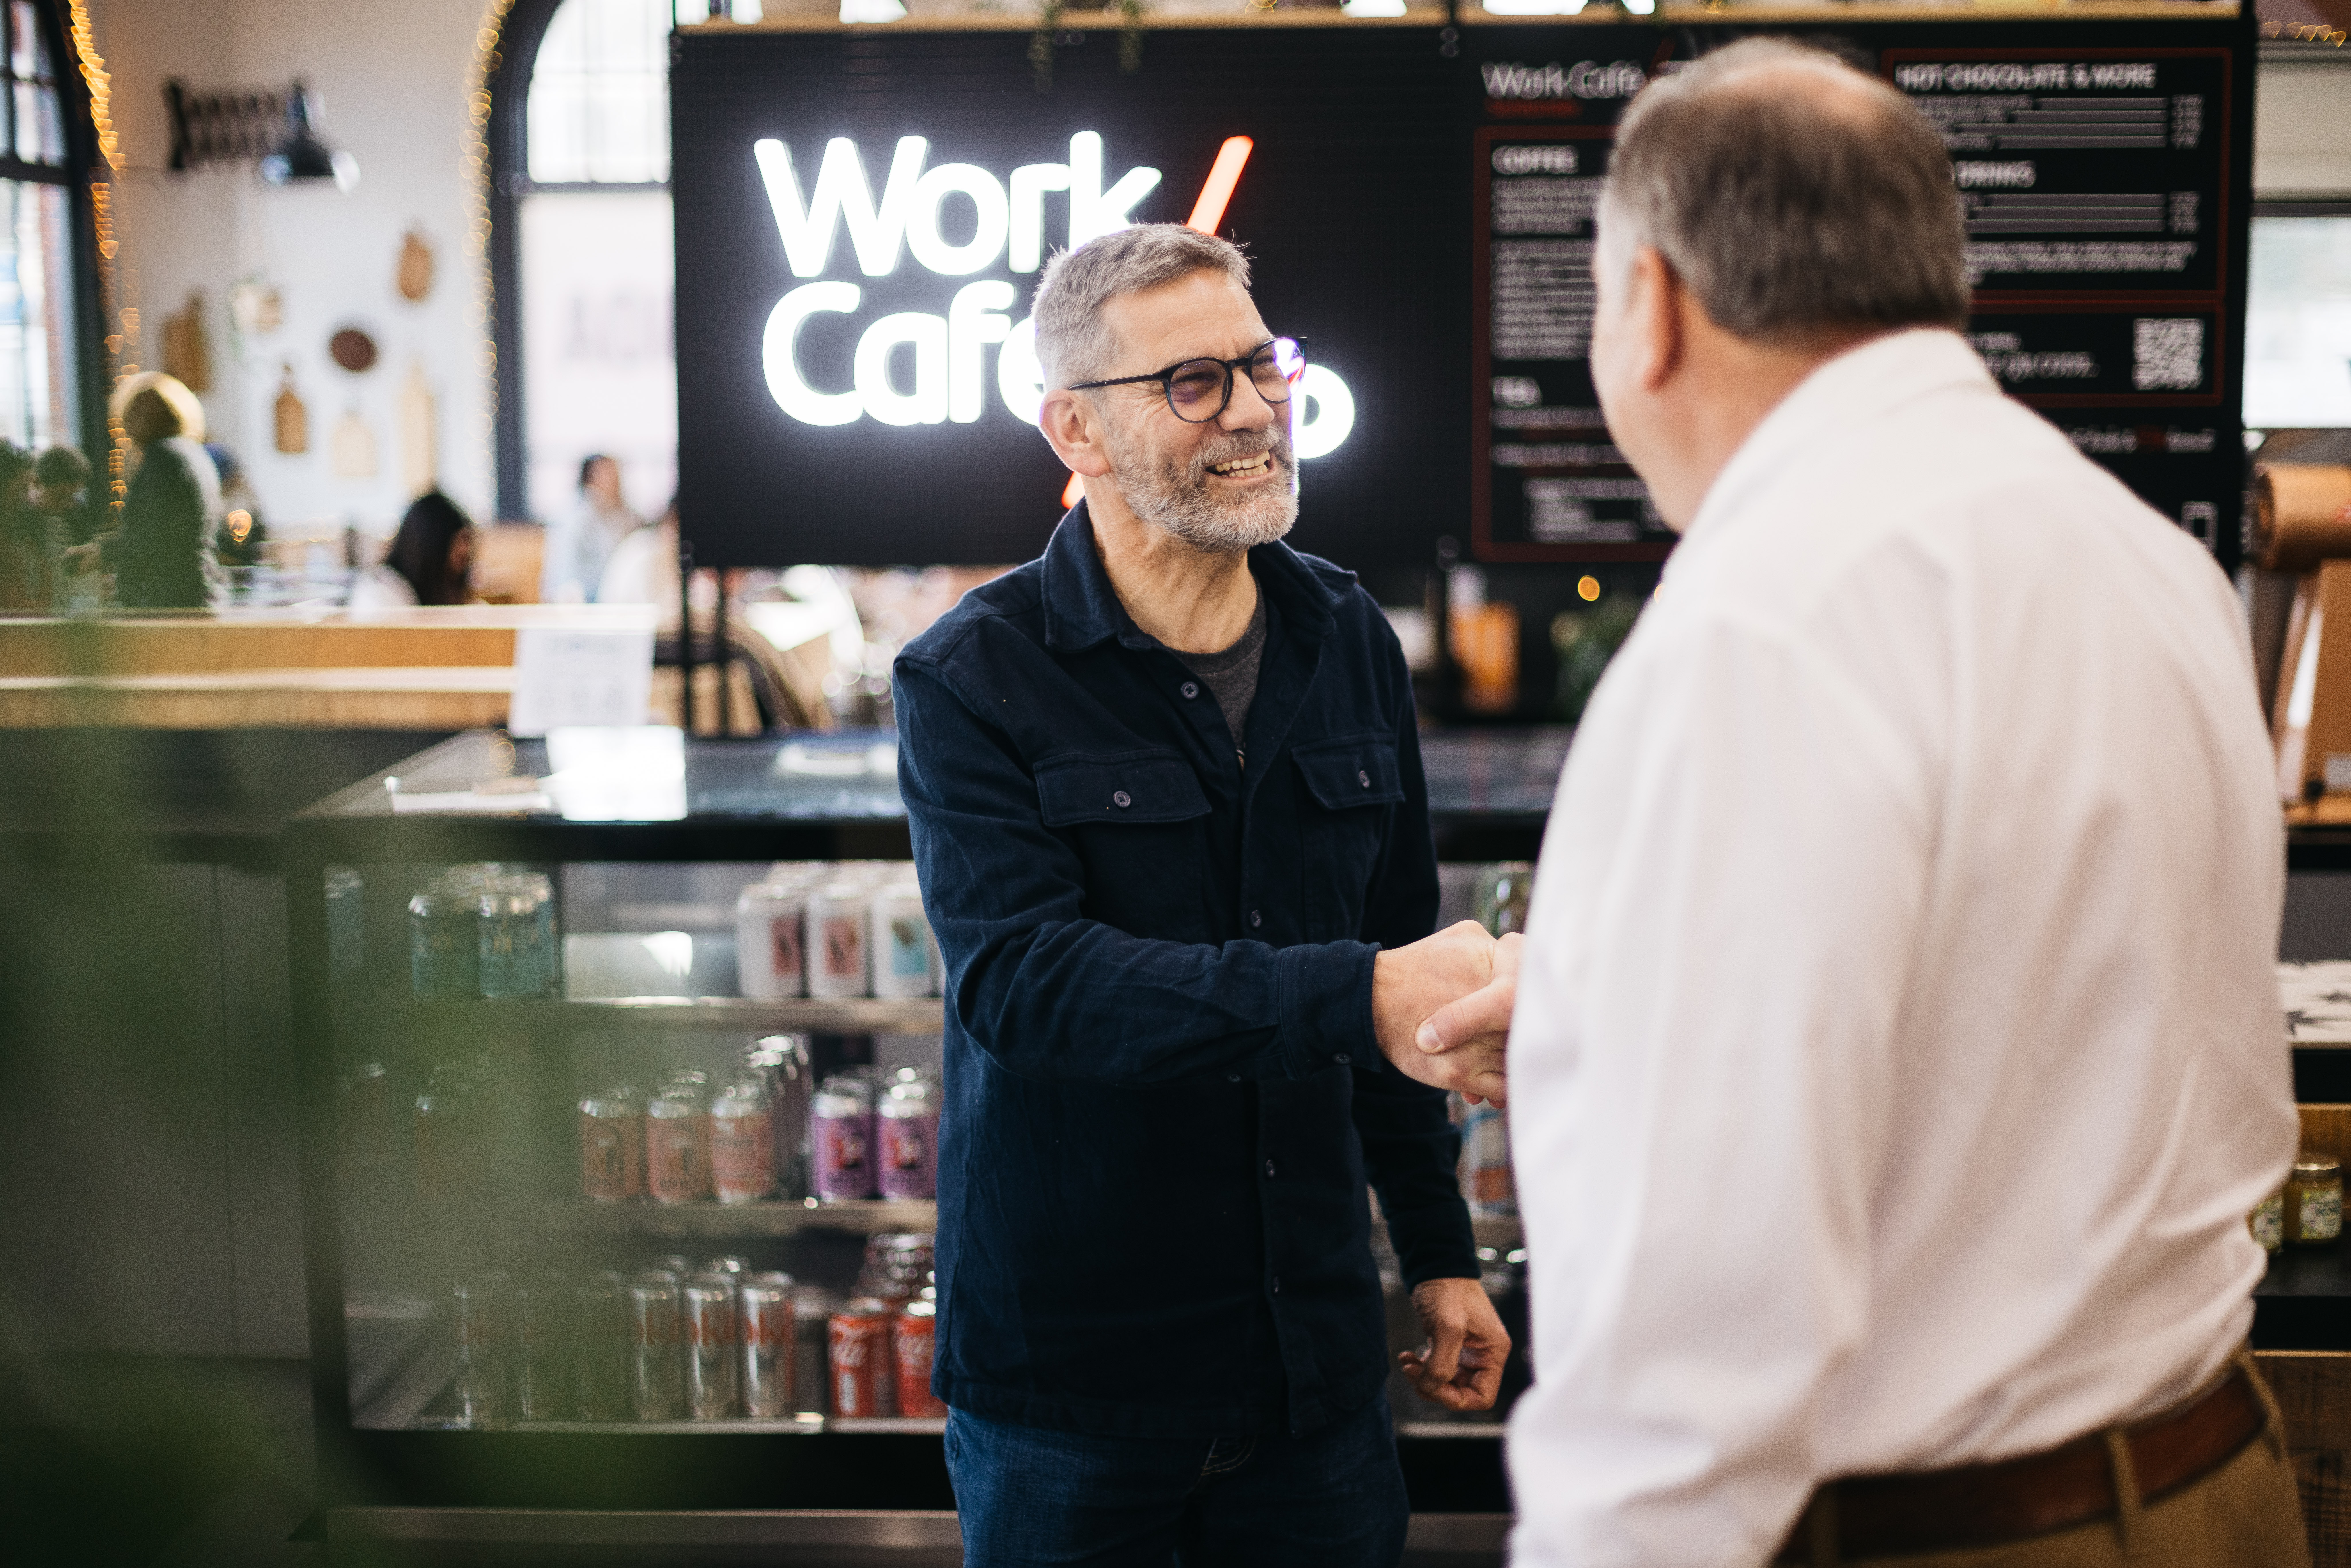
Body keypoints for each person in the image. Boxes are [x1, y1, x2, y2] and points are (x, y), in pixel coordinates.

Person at [1415, 39, 2307, 1567]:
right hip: (2214, 1476)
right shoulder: (2142, 552)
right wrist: (1596, 1014)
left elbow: (1691, 1332)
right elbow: (2040, 995)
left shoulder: (1763, 618)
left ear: (1655, 306)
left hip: (1941, 1532)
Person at [893, 223, 1510, 1567]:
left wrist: (1440, 1250)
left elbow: (1404, 965)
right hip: (1075, 1395)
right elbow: (1024, 986)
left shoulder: (1347, 636)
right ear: (1076, 430)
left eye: (1262, 363)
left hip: (1315, 1375)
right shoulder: (972, 676)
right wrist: (1353, 992)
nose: (1251, 408)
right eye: (1193, 381)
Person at [106, 373, 222, 609]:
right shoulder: (194, 452)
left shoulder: (162, 459)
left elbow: (152, 535)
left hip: (172, 597)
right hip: (200, 591)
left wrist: (101, 553)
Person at [350, 492, 476, 609]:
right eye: (459, 544)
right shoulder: (380, 594)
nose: (467, 549)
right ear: (432, 548)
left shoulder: (414, 591)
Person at [540, 452, 639, 603]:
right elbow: (565, 573)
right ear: (591, 478)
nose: (615, 480)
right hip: (577, 599)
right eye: (607, 473)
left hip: (606, 597)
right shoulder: (575, 515)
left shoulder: (620, 513)